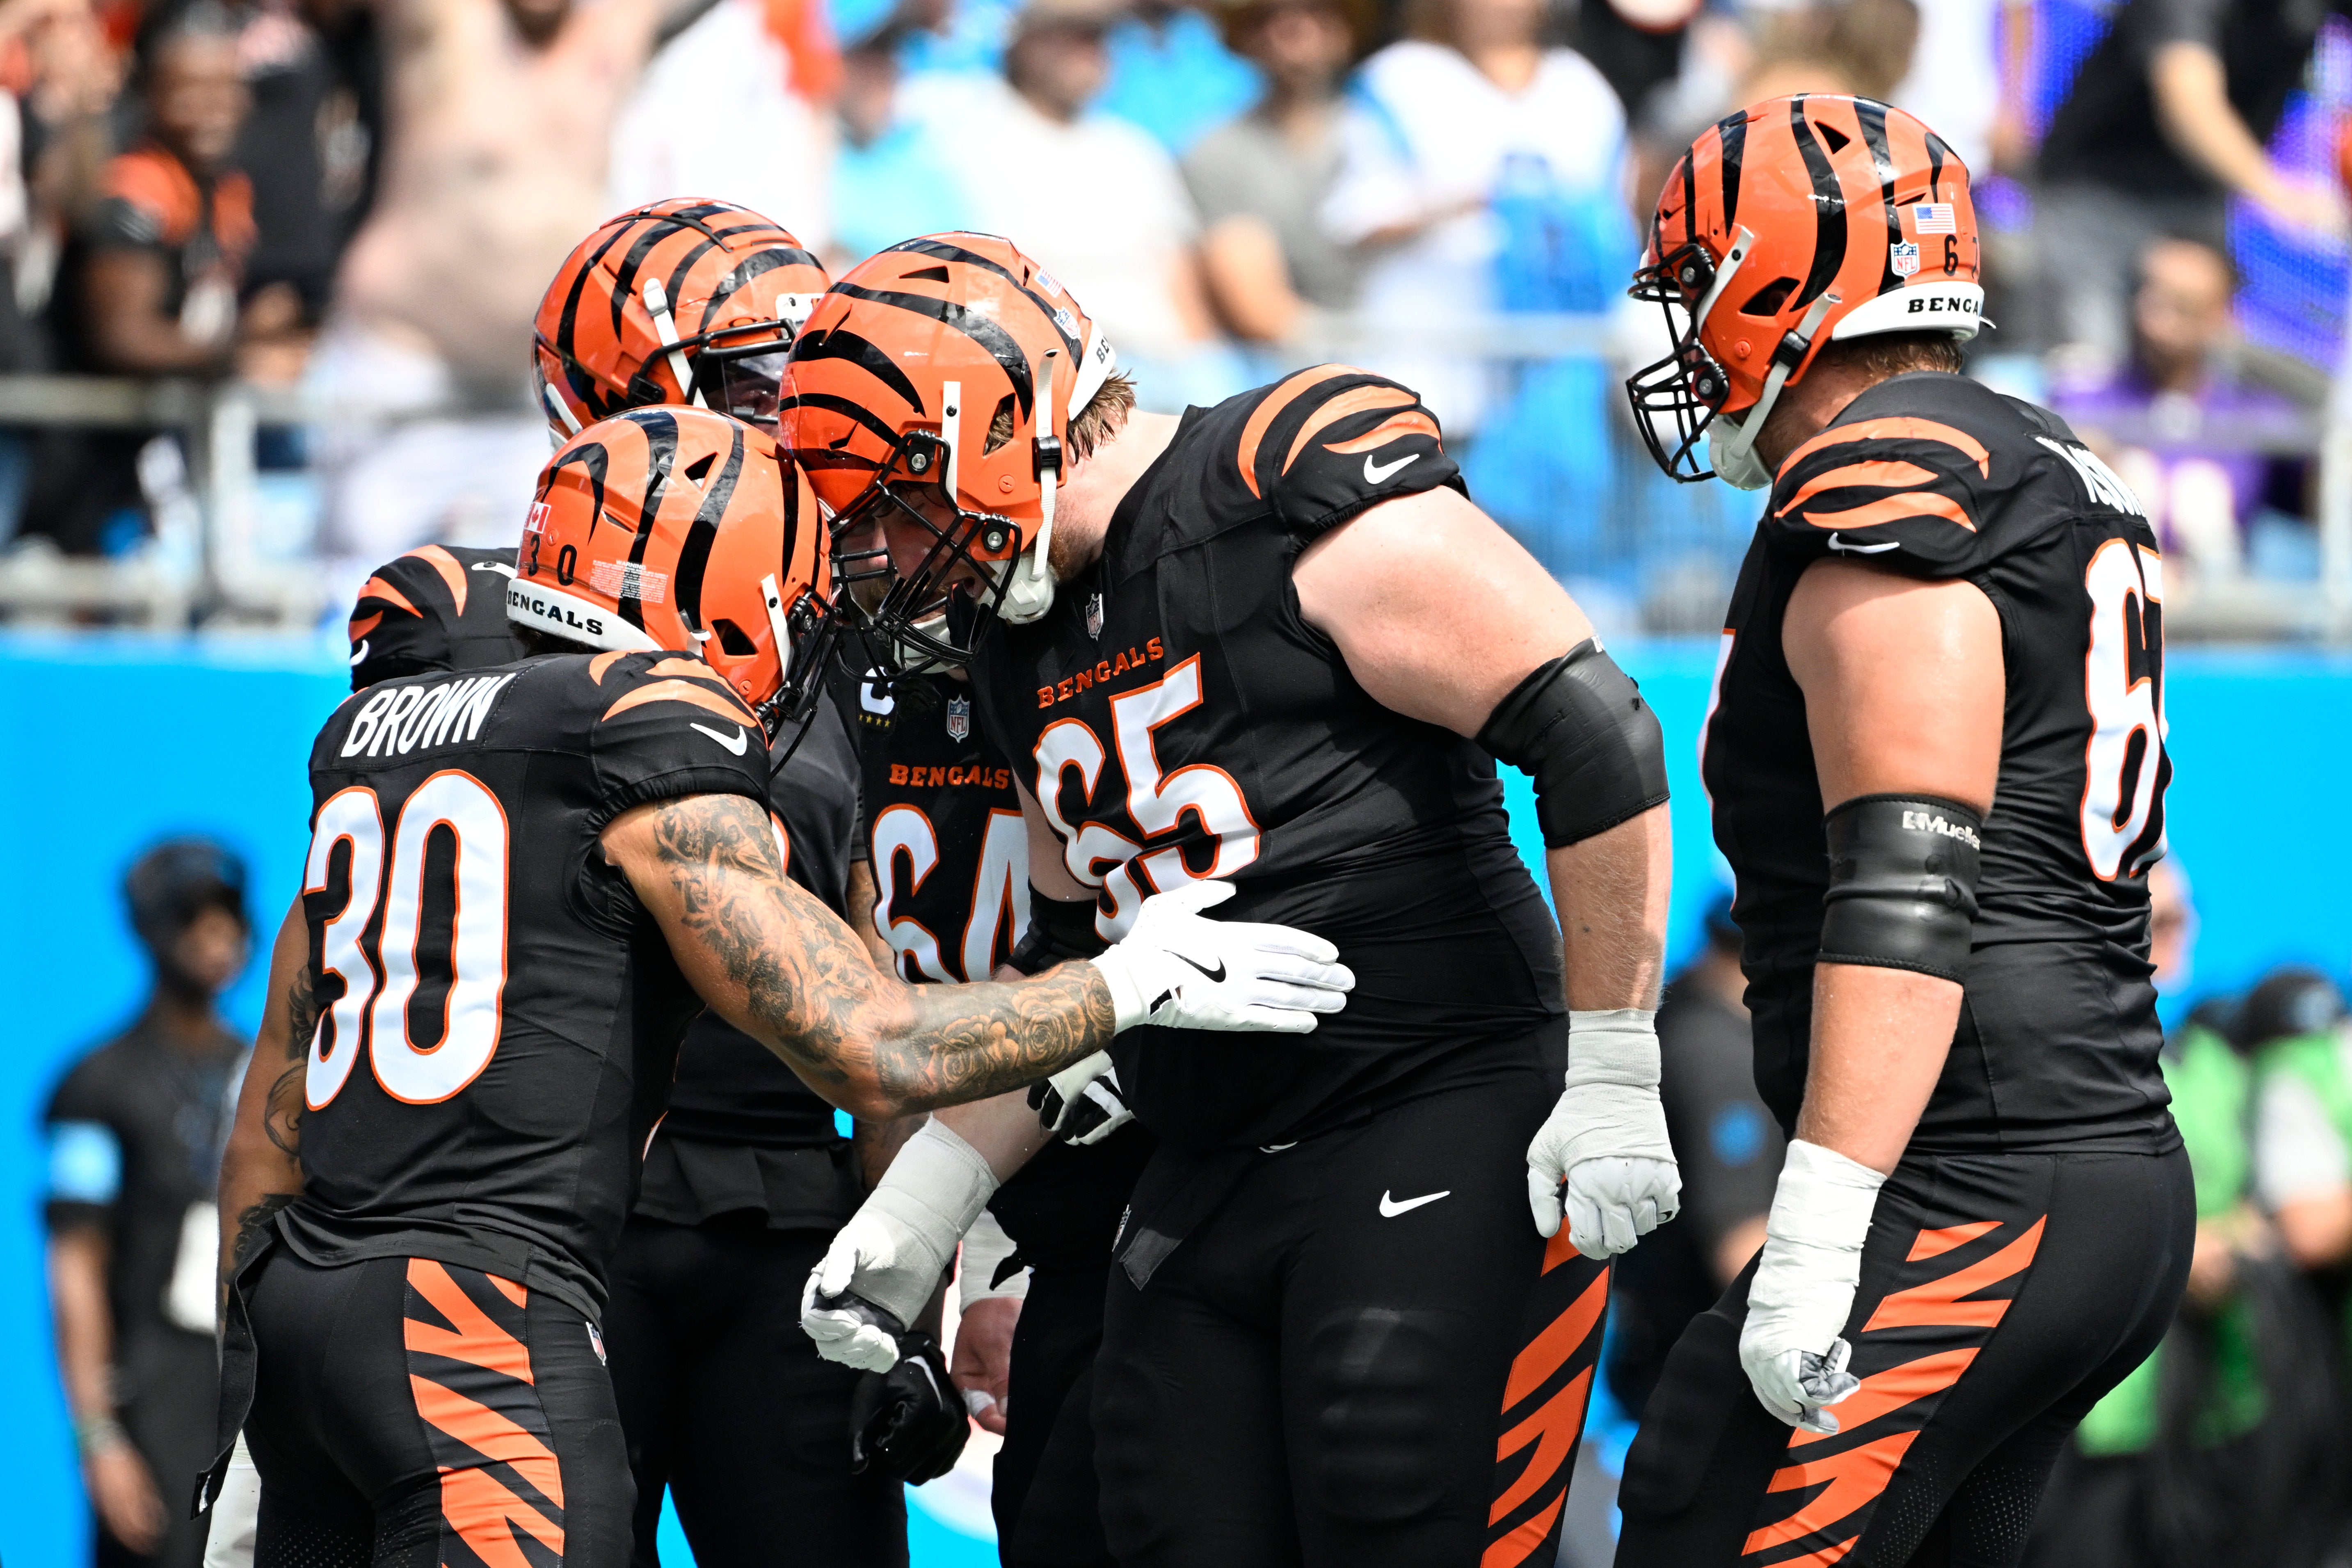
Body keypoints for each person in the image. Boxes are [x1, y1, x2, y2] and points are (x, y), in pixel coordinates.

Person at [204, 402, 1352, 1566]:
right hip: (476, 1317)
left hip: (303, 1307)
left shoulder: (381, 729)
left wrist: (243, 1383)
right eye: (799, 599)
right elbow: (867, 1041)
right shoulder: (642, 722)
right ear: (722, 586)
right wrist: (1121, 983)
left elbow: (271, 1118)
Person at [785, 231, 1679, 1567]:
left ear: (1008, 425)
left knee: (1393, 1510)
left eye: (896, 502)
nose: (882, 551)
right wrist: (927, 1211)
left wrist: (1610, 1064)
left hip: (1424, 1107)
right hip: (1203, 1161)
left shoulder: (1274, 487)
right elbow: (1065, 970)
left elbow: (1597, 734)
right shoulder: (1015, 639)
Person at [1614, 94, 2193, 1567]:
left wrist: (1818, 1224)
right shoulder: (2037, 455)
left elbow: (1907, 879)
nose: (1680, 332)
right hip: (2079, 1151)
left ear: (1776, 277)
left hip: (1968, 1171)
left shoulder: (1895, 477)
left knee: (1701, 1499)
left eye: (1694, 285)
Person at [850, 652, 1157, 1565]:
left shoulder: (1094, 651)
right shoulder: (848, 685)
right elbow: (894, 1035)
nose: (876, 552)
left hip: (1135, 1187)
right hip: (998, 1168)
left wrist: (990, 1276)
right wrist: (960, 1285)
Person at [303, 0, 713, 574]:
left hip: (537, 387)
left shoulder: (621, 21)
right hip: (403, 359)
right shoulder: (445, 20)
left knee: (529, 595)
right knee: (356, 589)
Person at [2023, 870, 2348, 1568]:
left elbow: (2262, 1204)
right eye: (2155, 918)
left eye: (2180, 916)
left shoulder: (2207, 1063)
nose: (2174, 933)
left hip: (2211, 1408)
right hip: (2095, 1417)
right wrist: (2179, 1248)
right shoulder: (2059, 1062)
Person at [48, 839, 252, 1568]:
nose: (218, 934)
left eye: (230, 915)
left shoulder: (266, 1077)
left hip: (250, 1389)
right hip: (156, 1394)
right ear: (152, 928)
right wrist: (100, 1439)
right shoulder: (96, 1087)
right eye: (194, 916)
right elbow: (74, 1264)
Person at [1318, 0, 1630, 431]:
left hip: (1557, 381)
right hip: (1430, 368)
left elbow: (1617, 221)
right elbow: (1354, 218)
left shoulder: (1582, 87)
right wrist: (1471, 200)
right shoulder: (1398, 78)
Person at [30, 4, 265, 556]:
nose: (213, 112)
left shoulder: (218, 185)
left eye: (225, 90)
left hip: (162, 450)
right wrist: (240, 353)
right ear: (152, 94)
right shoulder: (136, 189)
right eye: (189, 93)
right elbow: (125, 336)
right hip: (89, 463)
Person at [918, 0, 1235, 408]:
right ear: (1024, 44)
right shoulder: (964, 142)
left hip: (1164, 363)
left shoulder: (1134, 151)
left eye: (1100, 37)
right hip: (1055, 368)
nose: (1091, 49)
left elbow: (1183, 288)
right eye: (1072, 37)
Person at [2034, 0, 2352, 363]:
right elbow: (2187, 101)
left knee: (2201, 371)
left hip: (2199, 199)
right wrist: (2279, 195)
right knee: (2088, 368)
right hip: (2097, 196)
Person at [2046, 236, 2319, 585]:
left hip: (2219, 621)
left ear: (2221, 314)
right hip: (2108, 609)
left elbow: (2322, 501)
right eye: (2151, 296)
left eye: (2184, 305)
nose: (2160, 320)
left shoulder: (2257, 416)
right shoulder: (2080, 400)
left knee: (2200, 496)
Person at [1605, 892, 1782, 1422]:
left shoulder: (1673, 1021)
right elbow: (1742, 1243)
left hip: (1660, 1350)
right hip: (1703, 1377)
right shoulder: (1716, 1050)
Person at [1180, 0, 1363, 349]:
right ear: (1246, 37)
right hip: (1289, 368)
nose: (1294, 31)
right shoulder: (1217, 151)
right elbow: (1257, 308)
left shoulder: (1388, 132)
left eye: (1316, 14)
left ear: (1343, 31)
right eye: (1269, 19)